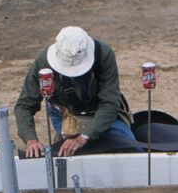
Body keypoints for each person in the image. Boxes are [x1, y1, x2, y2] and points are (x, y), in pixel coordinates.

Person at [14, 26, 136, 157]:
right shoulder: (43, 62)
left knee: (132, 152)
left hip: (101, 112)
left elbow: (110, 103)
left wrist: (83, 137)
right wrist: (30, 139)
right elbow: (24, 106)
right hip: (66, 112)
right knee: (67, 158)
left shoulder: (103, 54)